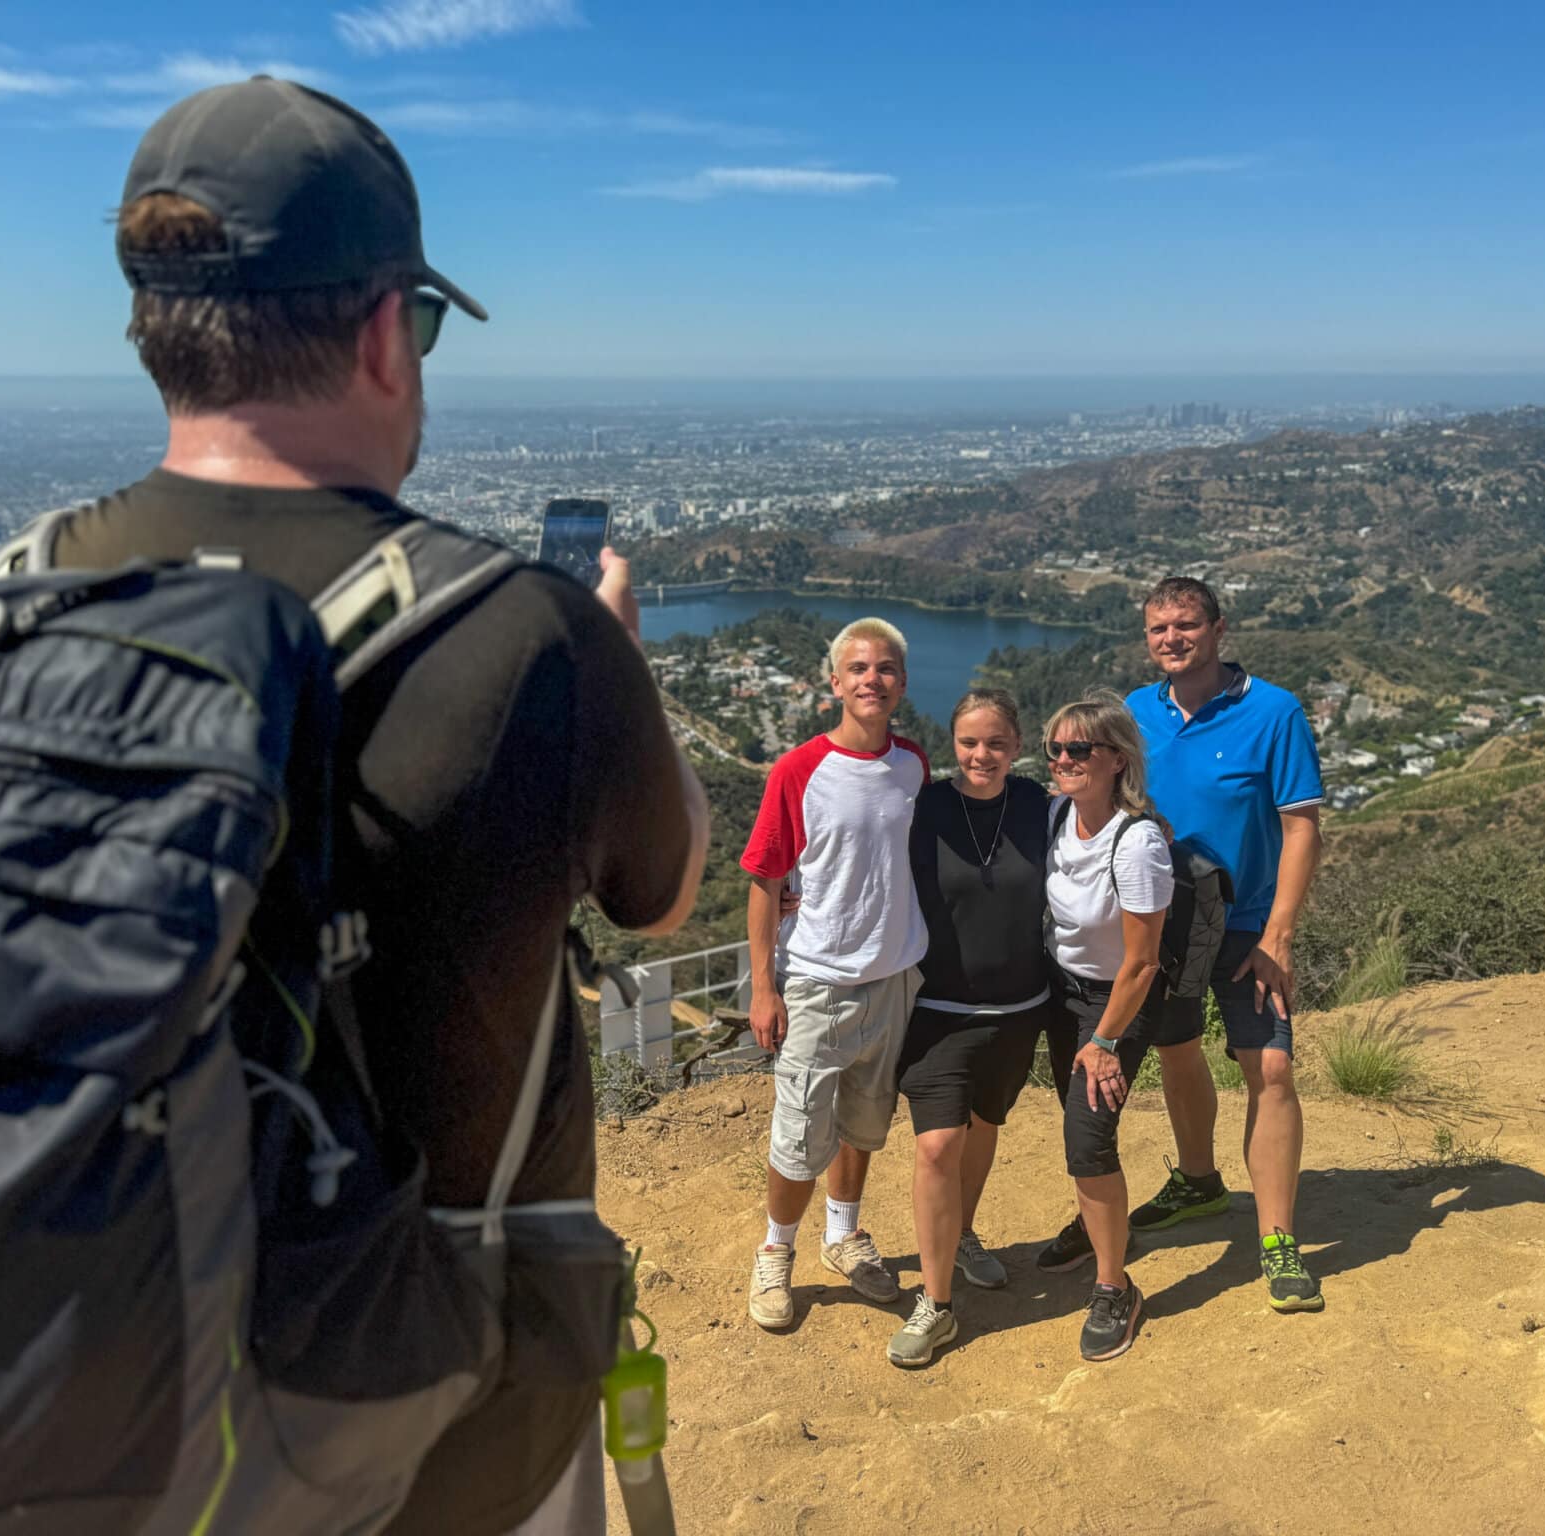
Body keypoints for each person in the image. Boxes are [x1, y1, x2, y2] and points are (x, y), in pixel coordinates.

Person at [68, 78, 710, 1535]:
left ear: (152, 332)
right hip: (448, 1415)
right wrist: (615, 657)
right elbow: (664, 896)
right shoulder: (529, 637)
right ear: (382, 331)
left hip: (82, 1390)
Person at [1125, 576, 1325, 1314]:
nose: (1171, 639)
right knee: (1177, 1052)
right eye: (1158, 630)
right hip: (1166, 923)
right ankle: (1199, 1182)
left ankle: (1276, 1239)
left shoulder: (1273, 712)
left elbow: (1302, 824)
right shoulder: (1136, 712)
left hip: (1246, 925)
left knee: (1269, 1067)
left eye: (1185, 625)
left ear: (1218, 628)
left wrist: (1280, 932)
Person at [740, 618, 929, 1331]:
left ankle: (843, 1237)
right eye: (857, 669)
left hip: (894, 978)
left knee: (863, 1123)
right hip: (817, 979)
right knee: (797, 1134)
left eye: (884, 669)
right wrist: (764, 985)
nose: (870, 680)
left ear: (901, 683)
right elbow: (763, 878)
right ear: (834, 683)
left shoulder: (913, 764)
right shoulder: (799, 770)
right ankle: (776, 1250)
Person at [886, 688, 1053, 1368]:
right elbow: (861, 862)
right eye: (968, 742)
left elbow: (1105, 833)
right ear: (951, 744)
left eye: (995, 743)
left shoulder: (1041, 807)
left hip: (1018, 1013)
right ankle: (937, 1304)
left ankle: (963, 1235)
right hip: (939, 1009)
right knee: (936, 1146)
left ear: (1017, 746)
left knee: (985, 1128)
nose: (981, 755)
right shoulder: (923, 808)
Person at [1032, 691, 1174, 1362]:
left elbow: (1143, 962)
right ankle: (1099, 1228)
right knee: (1077, 1118)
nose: (1063, 760)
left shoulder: (1137, 841)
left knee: (1088, 1139)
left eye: (1079, 749)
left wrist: (1105, 1041)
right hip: (1063, 993)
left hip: (1114, 1003)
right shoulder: (1060, 815)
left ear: (1116, 759)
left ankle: (1115, 1287)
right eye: (1055, 748)